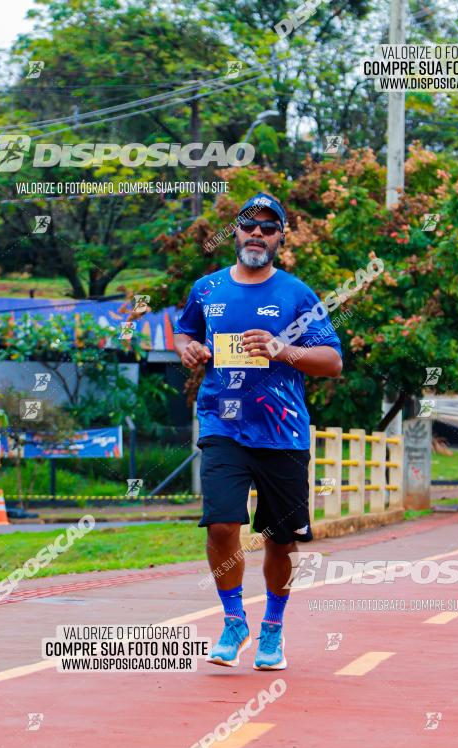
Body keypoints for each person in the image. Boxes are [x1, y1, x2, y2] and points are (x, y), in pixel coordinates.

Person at [173, 192, 343, 670]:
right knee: (223, 523)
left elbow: (332, 361)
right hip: (222, 422)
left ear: (280, 238)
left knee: (280, 540)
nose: (257, 234)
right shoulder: (206, 289)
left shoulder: (296, 294)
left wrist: (280, 350)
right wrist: (187, 349)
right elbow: (184, 331)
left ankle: (272, 628)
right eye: (249, 225)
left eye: (269, 228)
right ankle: (232, 620)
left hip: (282, 432)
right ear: (237, 231)